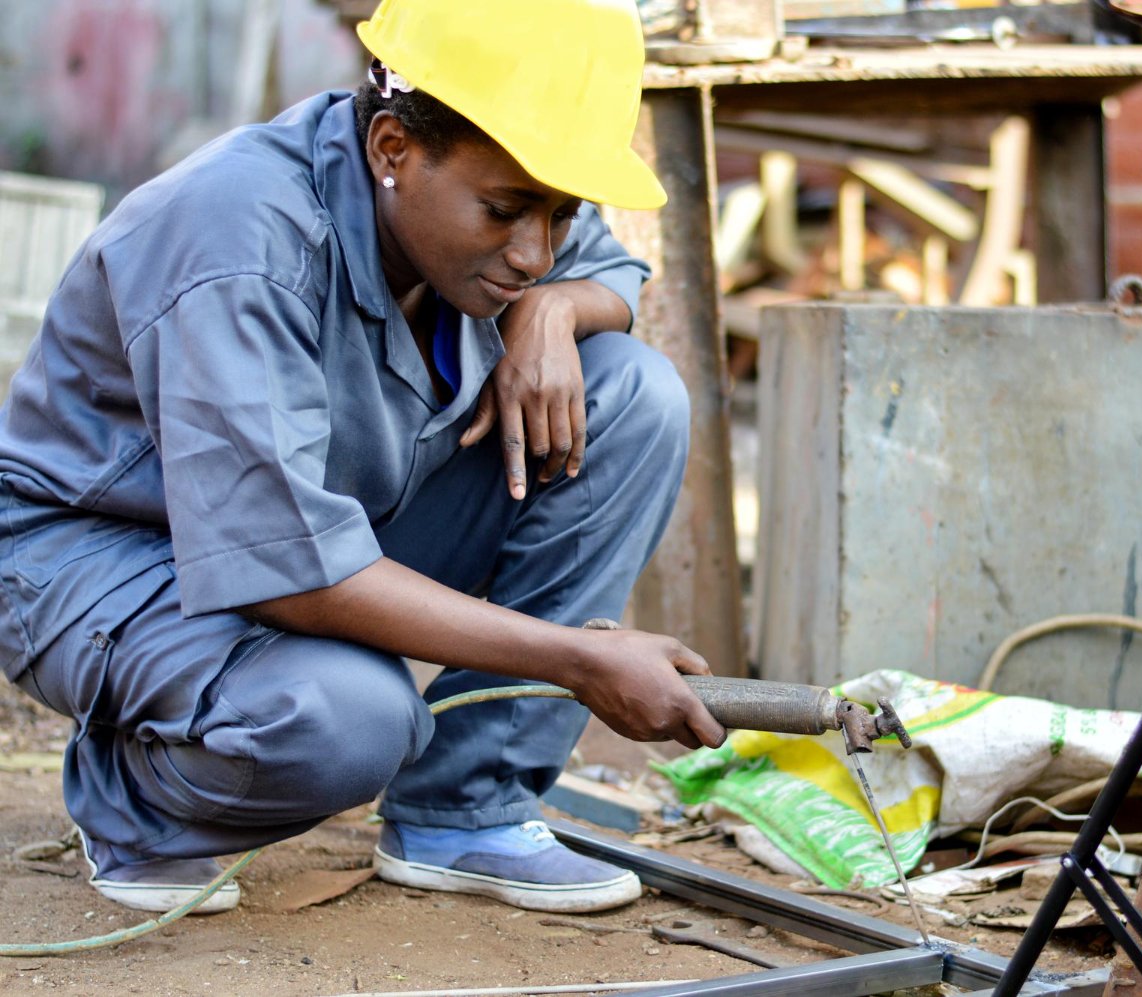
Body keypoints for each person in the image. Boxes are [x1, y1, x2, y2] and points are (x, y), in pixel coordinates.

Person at [0, 0, 726, 917]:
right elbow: (289, 572)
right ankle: (139, 798)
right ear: (391, 149)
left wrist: (556, 313)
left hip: (312, 525)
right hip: (101, 556)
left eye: (562, 212)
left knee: (632, 393)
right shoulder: (239, 237)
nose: (537, 251)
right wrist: (578, 660)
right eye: (506, 212)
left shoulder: (486, 189)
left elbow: (612, 272)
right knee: (347, 719)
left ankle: (465, 808)